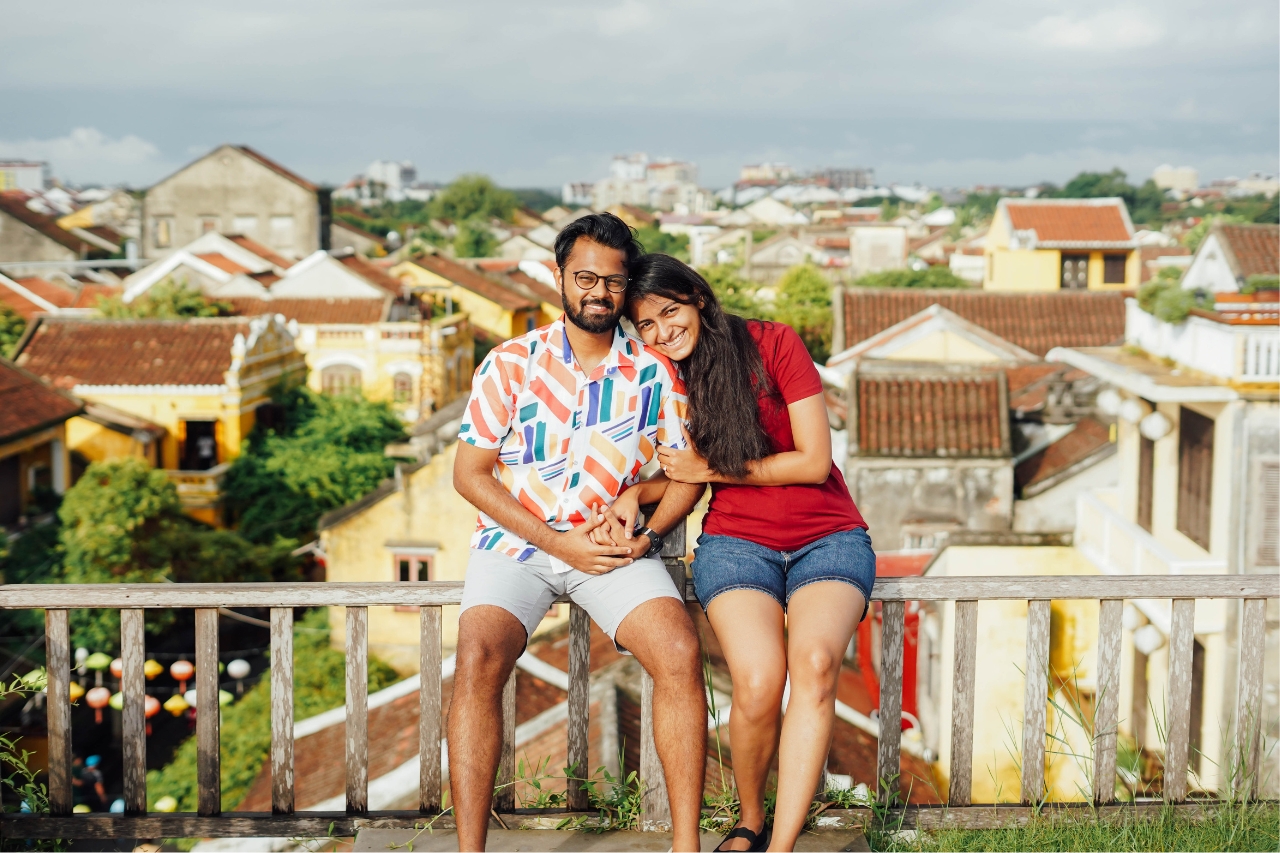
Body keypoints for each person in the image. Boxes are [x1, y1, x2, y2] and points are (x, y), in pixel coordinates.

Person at [449, 214, 708, 852]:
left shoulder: (653, 369)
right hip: (515, 546)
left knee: (679, 654)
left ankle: (685, 846)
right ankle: (469, 851)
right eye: (584, 276)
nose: (598, 291)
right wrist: (555, 542)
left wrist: (648, 535)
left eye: (613, 281)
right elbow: (470, 475)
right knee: (479, 658)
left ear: (627, 286)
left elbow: (688, 476)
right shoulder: (511, 363)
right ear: (559, 277)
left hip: (612, 548)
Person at [602, 254, 875, 852]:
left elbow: (812, 461)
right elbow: (688, 475)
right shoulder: (666, 376)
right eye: (644, 326)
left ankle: (780, 844)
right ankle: (750, 818)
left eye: (669, 312)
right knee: (754, 682)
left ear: (697, 297)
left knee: (815, 667)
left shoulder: (774, 344)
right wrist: (636, 492)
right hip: (736, 544)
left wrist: (715, 467)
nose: (660, 332)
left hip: (827, 537)